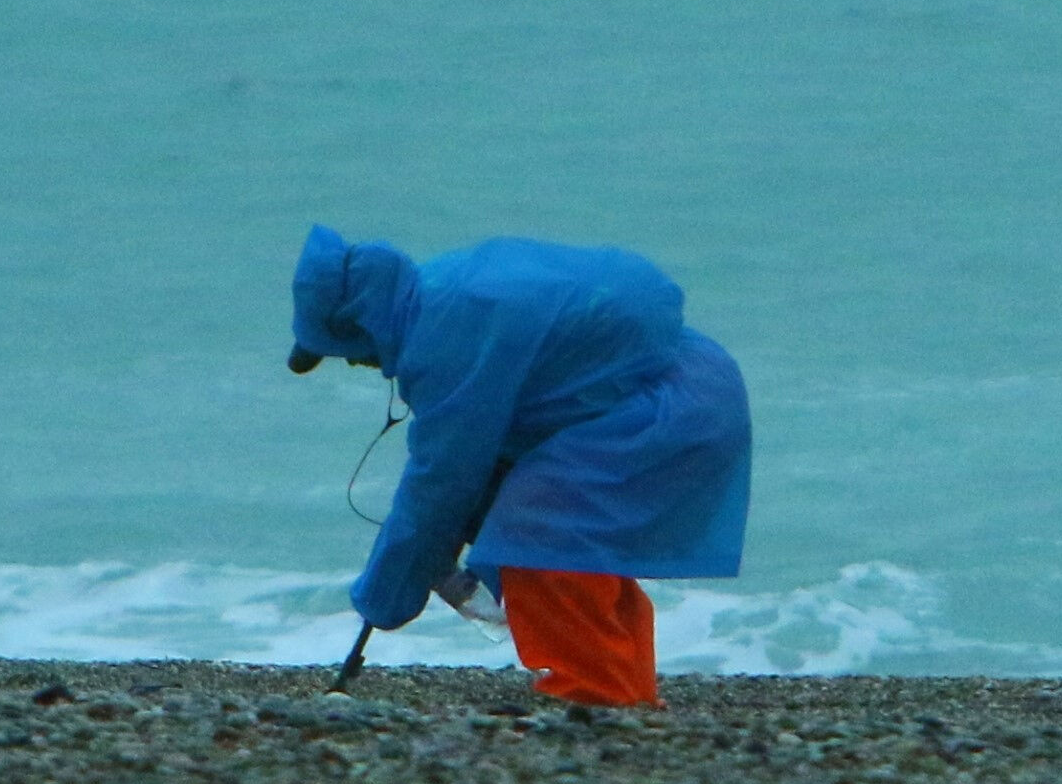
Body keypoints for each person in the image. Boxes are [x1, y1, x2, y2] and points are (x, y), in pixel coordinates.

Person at [289, 224, 750, 708]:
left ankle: (597, 694)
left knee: (542, 535)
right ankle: (627, 697)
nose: (354, 363)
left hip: (661, 412)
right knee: (578, 547)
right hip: (693, 388)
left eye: (340, 350)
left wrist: (384, 598)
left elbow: (439, 485)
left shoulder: (445, 335)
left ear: (358, 323)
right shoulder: (441, 290)